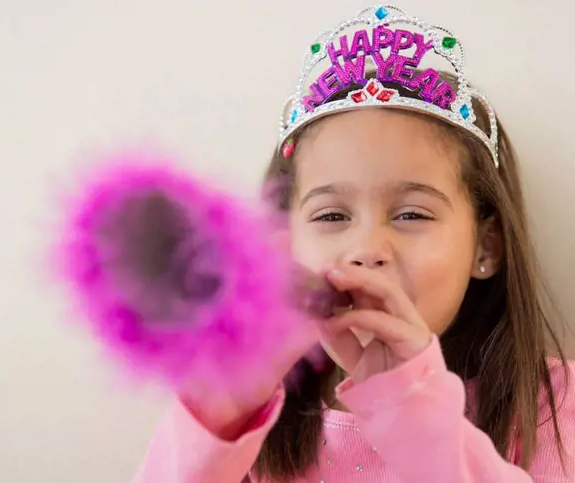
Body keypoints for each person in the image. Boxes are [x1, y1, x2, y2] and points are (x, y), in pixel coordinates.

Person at [132, 4, 574, 482]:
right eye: (332, 215)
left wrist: (411, 407)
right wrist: (219, 413)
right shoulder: (239, 415)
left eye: (410, 214)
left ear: (486, 248)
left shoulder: (558, 406)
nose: (367, 248)